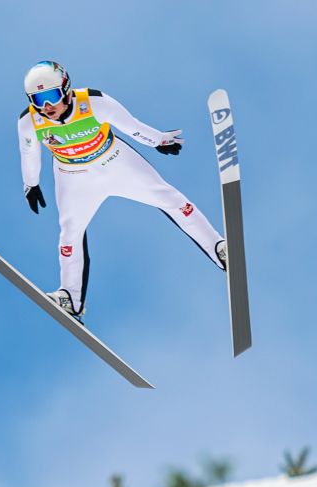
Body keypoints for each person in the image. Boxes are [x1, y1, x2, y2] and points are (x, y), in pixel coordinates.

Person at [18, 61, 226, 324]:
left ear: (66, 90)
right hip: (73, 178)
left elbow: (132, 126)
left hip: (116, 162)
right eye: (38, 99)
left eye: (51, 96)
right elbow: (28, 152)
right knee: (69, 233)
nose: (47, 106)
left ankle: (218, 248)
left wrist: (159, 141)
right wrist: (31, 184)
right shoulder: (29, 121)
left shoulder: (94, 102)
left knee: (170, 198)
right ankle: (70, 298)